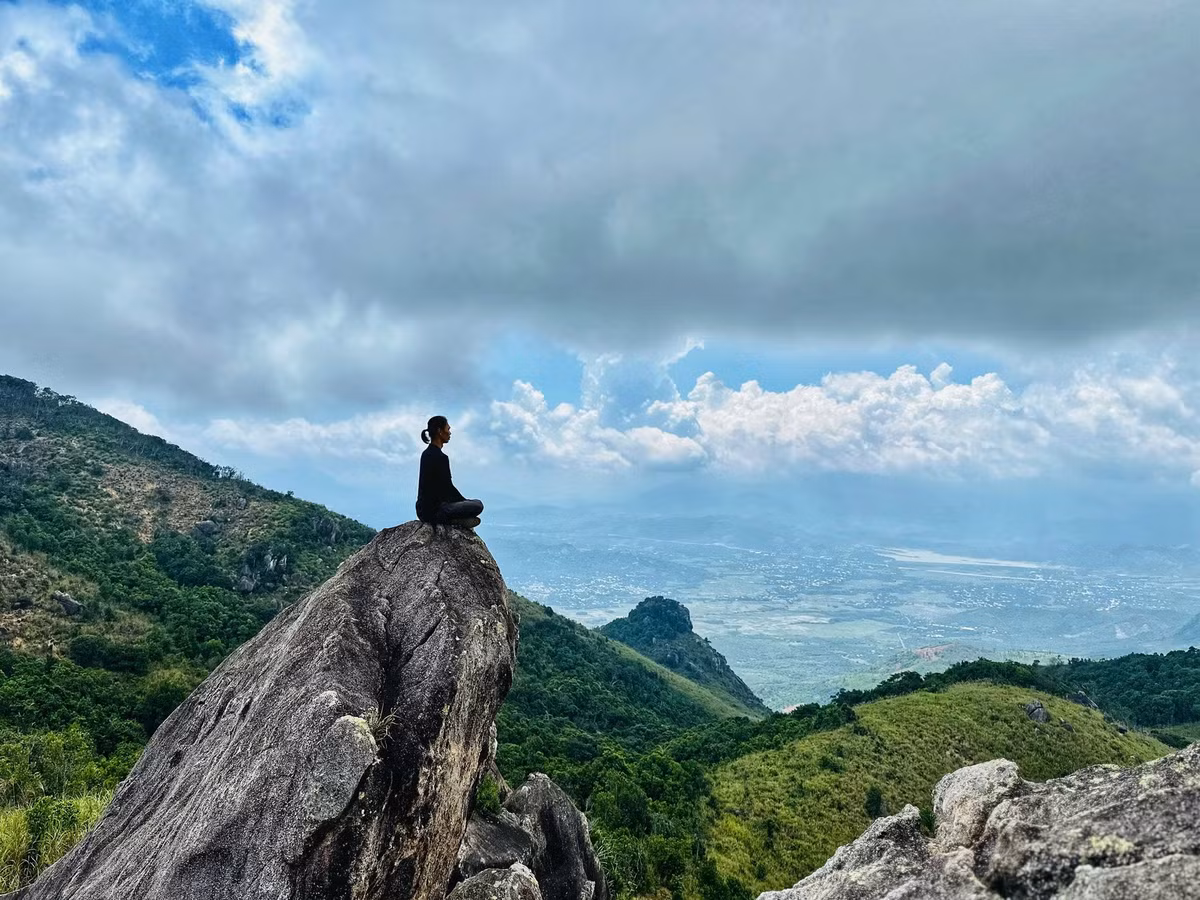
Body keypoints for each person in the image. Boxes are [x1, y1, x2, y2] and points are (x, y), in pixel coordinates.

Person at [415, 415, 484, 527]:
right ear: (439, 431)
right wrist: (463, 502)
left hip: (422, 511)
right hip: (437, 512)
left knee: (471, 503)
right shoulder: (441, 457)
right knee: (478, 505)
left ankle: (456, 519)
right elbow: (447, 487)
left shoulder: (426, 454)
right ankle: (453, 521)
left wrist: (462, 502)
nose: (450, 433)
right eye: (448, 429)